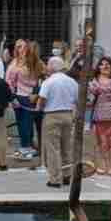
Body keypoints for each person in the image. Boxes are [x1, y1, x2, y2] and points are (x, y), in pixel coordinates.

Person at [37, 57, 76, 188]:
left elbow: (42, 99)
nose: (47, 67)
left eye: (48, 65)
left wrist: (38, 108)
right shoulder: (71, 81)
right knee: (66, 147)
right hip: (68, 114)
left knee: (53, 148)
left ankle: (55, 179)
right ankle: (67, 175)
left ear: (52, 67)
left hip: (52, 115)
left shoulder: (48, 82)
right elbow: (79, 99)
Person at [5, 40, 44, 161]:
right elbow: (9, 83)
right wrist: (12, 98)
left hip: (33, 98)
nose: (19, 49)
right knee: (26, 126)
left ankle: (34, 149)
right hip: (23, 98)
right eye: (17, 47)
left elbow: (44, 79)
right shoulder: (15, 64)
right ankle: (28, 148)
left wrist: (37, 93)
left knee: (34, 125)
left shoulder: (36, 63)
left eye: (22, 47)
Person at [88, 56, 111, 176]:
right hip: (99, 116)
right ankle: (103, 166)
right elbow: (91, 95)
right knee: (102, 143)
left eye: (108, 64)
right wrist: (109, 91)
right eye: (102, 64)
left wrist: (106, 90)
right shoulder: (94, 81)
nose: (105, 66)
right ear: (98, 67)